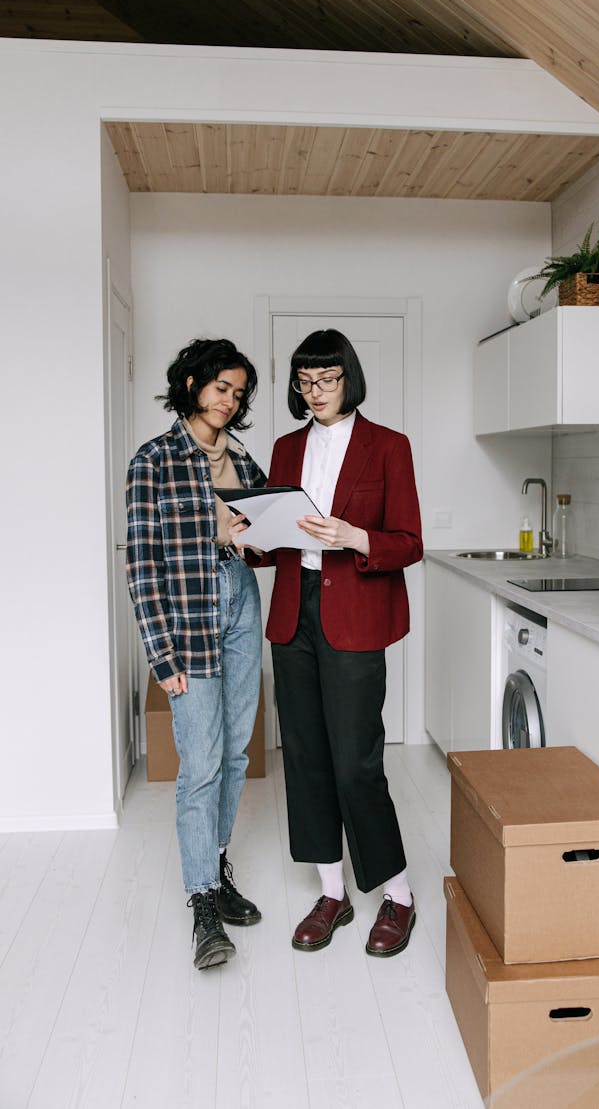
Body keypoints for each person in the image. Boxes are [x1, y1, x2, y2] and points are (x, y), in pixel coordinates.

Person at [253, 328, 423, 957]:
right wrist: (246, 536)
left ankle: (397, 896)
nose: (316, 392)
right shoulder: (284, 447)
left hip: (355, 612)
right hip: (295, 615)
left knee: (356, 760)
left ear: (349, 378)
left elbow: (409, 541)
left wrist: (355, 537)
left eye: (327, 379)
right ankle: (333, 892)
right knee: (305, 756)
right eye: (305, 381)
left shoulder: (388, 448)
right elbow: (274, 541)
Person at [126, 338, 266, 970]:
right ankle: (202, 902)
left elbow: (266, 543)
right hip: (188, 620)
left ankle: (215, 864)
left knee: (235, 752)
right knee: (201, 763)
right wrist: (162, 657)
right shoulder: (152, 461)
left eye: (238, 392)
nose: (229, 400)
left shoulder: (243, 459)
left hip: (240, 604)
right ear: (190, 385)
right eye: (220, 387)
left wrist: (257, 535)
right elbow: (143, 567)